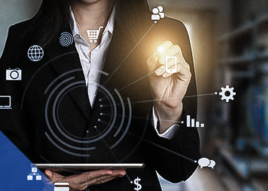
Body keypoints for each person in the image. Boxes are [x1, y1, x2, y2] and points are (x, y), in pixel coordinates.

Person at [0, 0, 200, 190]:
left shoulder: (164, 36)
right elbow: (7, 151)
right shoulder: (22, 39)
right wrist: (45, 186)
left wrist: (168, 110)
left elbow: (179, 170)